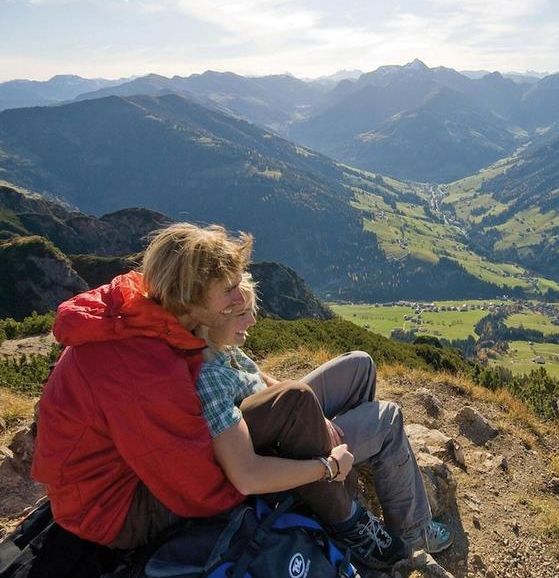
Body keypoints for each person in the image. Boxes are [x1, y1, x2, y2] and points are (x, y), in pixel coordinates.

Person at [194, 275, 453, 569]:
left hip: (286, 422)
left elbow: (260, 378)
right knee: (388, 418)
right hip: (282, 450)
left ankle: (357, 464)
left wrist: (314, 412)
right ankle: (413, 531)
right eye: (243, 314)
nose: (253, 321)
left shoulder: (219, 344)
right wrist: (324, 460)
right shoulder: (207, 377)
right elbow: (246, 471)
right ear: (211, 316)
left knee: (360, 364)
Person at [31, 223, 254, 549]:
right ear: (189, 293)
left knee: (259, 421)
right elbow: (197, 490)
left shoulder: (140, 315)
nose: (239, 297)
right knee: (273, 421)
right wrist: (257, 483)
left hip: (92, 487)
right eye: (228, 289)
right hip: (110, 511)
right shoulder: (146, 368)